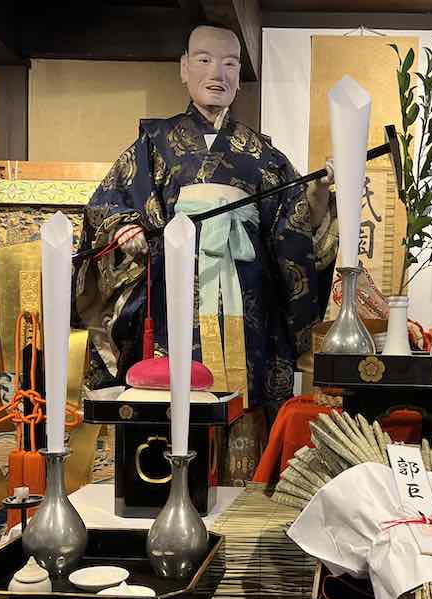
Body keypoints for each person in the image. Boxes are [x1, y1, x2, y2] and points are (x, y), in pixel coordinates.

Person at [74, 24, 334, 410]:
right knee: (170, 389)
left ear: (239, 77)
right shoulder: (155, 142)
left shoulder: (263, 154)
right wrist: (126, 226)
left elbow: (292, 227)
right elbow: (107, 202)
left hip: (247, 295)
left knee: (246, 394)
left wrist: (318, 198)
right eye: (205, 60)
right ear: (184, 68)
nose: (218, 73)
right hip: (172, 286)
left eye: (230, 63)